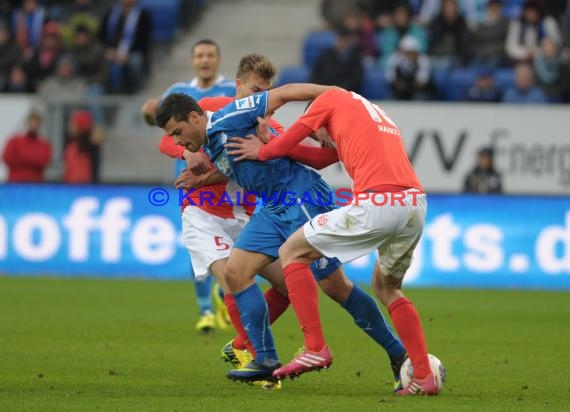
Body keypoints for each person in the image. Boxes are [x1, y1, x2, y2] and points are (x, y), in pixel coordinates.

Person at [155, 85, 408, 389]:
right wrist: (204, 178)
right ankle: (265, 358)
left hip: (300, 199)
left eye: (178, 131)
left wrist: (337, 95)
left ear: (195, 117)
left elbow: (285, 93)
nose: (177, 140)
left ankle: (397, 354)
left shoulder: (230, 117)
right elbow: (240, 164)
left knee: (336, 286)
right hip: (273, 208)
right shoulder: (207, 142)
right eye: (172, 136)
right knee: (236, 272)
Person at [225, 87, 438, 395]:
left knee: (293, 253)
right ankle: (421, 375)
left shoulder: (328, 100)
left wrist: (264, 148)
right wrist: (273, 142)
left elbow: (295, 142)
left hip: (376, 203)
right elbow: (322, 157)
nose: (322, 141)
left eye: (319, 134)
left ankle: (315, 346)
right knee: (388, 287)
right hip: (414, 204)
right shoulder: (373, 112)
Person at [141, 39, 236, 334]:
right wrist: (149, 115)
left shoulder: (231, 92)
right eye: (199, 55)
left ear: (218, 59)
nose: (205, 60)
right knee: (198, 246)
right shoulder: (177, 92)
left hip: (228, 179)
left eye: (210, 55)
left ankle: (226, 293)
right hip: (192, 183)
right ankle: (205, 308)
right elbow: (159, 126)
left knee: (233, 245)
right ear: (193, 60)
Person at [2, 110, 52, 182]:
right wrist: (31, 159)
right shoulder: (14, 141)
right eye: (32, 122)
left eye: (36, 123)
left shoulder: (44, 144)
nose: (33, 125)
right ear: (27, 123)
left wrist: (22, 158)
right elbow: (6, 157)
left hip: (35, 183)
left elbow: (44, 160)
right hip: (15, 183)